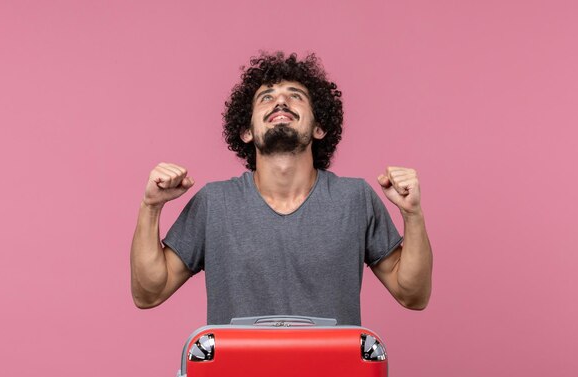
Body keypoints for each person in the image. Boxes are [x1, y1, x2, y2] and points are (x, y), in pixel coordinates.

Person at [130, 52, 432, 325]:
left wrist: (413, 214)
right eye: (266, 97)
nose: (280, 102)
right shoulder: (214, 203)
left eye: (295, 96)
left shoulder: (355, 198)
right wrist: (151, 207)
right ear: (247, 132)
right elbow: (149, 294)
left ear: (319, 127)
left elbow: (413, 295)